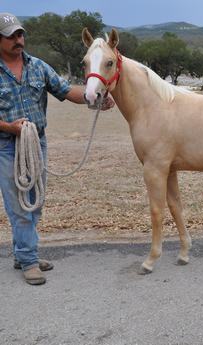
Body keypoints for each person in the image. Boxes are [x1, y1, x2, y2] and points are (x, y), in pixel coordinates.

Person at [0, 13, 114, 285]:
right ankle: (28, 261)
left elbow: (64, 90)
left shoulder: (38, 66)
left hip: (36, 142)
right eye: (11, 36)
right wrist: (9, 127)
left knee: (34, 203)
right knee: (19, 206)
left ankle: (22, 252)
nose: (19, 40)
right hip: (6, 145)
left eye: (20, 34)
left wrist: (93, 99)